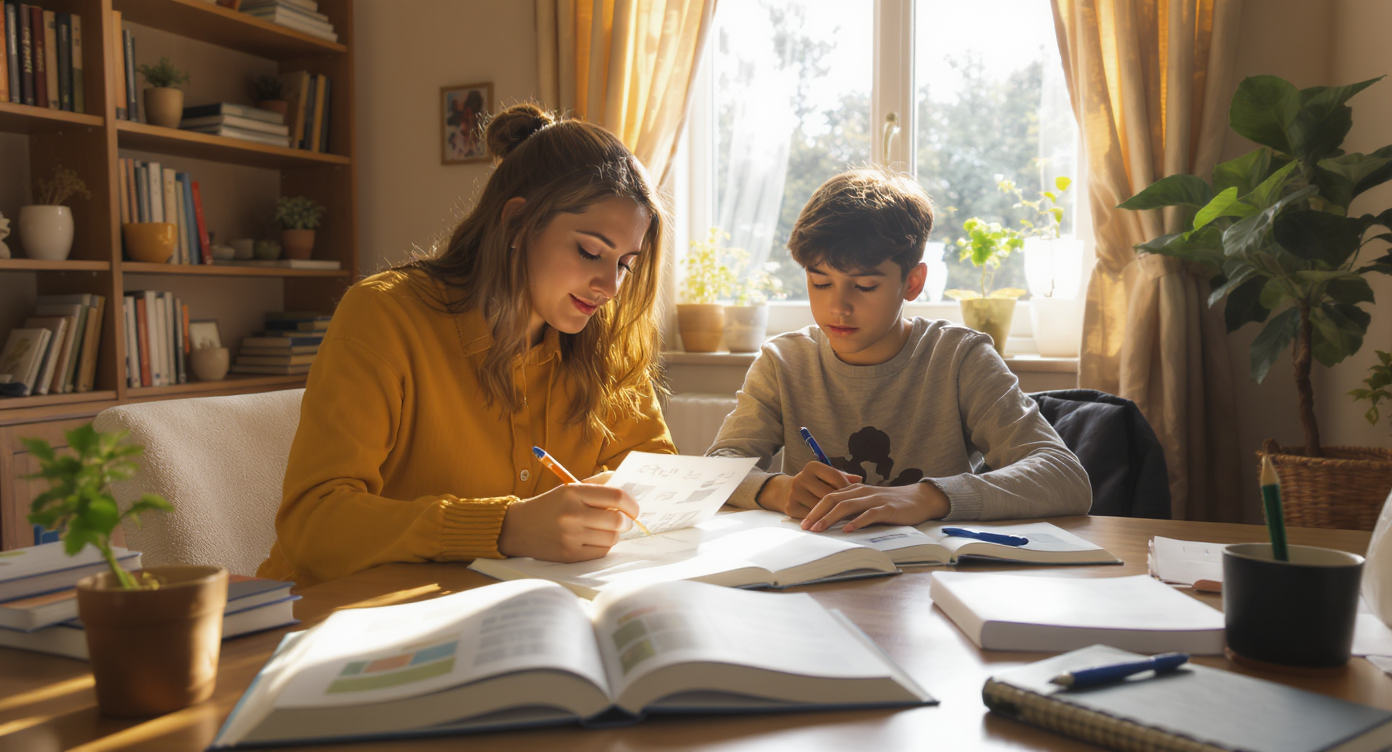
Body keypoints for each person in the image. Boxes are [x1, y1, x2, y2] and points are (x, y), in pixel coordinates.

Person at [258, 104, 676, 587]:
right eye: (590, 252)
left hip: (500, 610)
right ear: (517, 222)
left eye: (625, 264)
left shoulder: (606, 344)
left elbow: (660, 480)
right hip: (335, 611)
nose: (610, 287)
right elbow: (313, 524)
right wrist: (506, 527)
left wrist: (621, 501)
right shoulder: (385, 314)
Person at [706, 168, 1091, 532]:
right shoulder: (783, 361)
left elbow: (1064, 477)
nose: (837, 307)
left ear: (913, 282)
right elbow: (716, 468)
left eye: (865, 286)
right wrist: (777, 489)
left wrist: (928, 497)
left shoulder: (959, 358)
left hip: (935, 570)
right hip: (818, 565)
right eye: (820, 283)